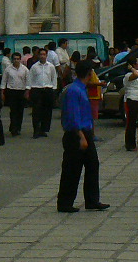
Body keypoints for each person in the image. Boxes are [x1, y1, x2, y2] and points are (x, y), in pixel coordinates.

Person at [56, 60, 108, 213]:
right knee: (72, 169)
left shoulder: (82, 88)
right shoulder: (74, 90)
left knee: (93, 164)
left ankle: (92, 200)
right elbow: (73, 116)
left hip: (85, 132)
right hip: (76, 134)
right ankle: (65, 202)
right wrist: (81, 136)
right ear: (89, 73)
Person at [27, 46, 58, 137]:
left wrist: (54, 90)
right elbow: (30, 79)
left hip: (48, 89)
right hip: (37, 90)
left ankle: (43, 129)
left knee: (47, 111)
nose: (42, 56)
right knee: (36, 111)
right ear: (38, 55)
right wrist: (29, 90)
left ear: (46, 55)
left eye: (44, 54)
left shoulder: (51, 66)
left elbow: (54, 78)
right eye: (40, 54)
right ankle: (36, 130)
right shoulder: (34, 67)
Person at [2, 50, 29, 137]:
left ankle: (18, 128)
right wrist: (2, 92)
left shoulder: (25, 69)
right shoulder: (8, 69)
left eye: (18, 59)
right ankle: (13, 128)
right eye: (14, 59)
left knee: (20, 111)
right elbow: (4, 81)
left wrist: (27, 91)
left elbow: (28, 81)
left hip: (21, 91)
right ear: (12, 59)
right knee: (13, 111)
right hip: (11, 91)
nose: (16, 60)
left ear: (20, 60)